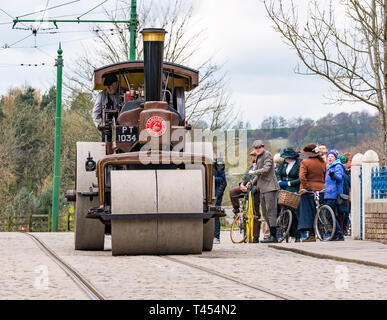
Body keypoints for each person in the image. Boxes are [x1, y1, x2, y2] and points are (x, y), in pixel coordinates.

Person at [249, 140, 280, 243]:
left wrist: (254, 171)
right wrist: (251, 183)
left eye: (259, 148)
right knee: (265, 214)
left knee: (271, 212)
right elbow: (258, 175)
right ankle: (271, 235)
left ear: (263, 147)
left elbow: (266, 170)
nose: (257, 150)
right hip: (262, 188)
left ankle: (274, 236)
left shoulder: (267, 155)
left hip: (270, 187)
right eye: (255, 148)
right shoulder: (258, 157)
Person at [229, 149, 262, 242]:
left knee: (255, 213)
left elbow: (261, 181)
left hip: (256, 191)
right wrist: (242, 184)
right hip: (247, 189)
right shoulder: (251, 166)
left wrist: (251, 187)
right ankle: (236, 210)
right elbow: (245, 177)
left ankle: (255, 236)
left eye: (255, 156)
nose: (254, 157)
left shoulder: (262, 167)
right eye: (253, 156)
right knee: (233, 192)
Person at [298, 143, 326, 242]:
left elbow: (302, 177)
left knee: (308, 213)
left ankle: (311, 234)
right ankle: (320, 231)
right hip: (321, 189)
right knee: (318, 211)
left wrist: (306, 187)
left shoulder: (305, 162)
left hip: (308, 191)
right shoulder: (323, 162)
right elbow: (324, 176)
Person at [276, 147, 301, 242]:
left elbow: (300, 178)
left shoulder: (298, 165)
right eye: (285, 157)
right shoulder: (283, 164)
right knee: (278, 202)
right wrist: (279, 181)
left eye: (287, 157)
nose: (286, 159)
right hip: (282, 187)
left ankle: (296, 234)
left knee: (294, 211)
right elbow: (278, 173)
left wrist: (289, 183)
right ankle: (279, 226)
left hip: (293, 187)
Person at [92, 73, 121, 139]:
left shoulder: (125, 93)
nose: (108, 88)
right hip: (107, 131)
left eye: (110, 85)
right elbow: (95, 113)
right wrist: (101, 125)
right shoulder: (102, 95)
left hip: (122, 129)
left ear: (117, 83)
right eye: (106, 86)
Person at [324, 150, 345, 241]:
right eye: (328, 156)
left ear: (335, 158)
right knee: (330, 215)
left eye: (332, 156)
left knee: (329, 214)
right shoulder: (329, 167)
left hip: (334, 194)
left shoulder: (338, 166)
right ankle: (335, 234)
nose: (329, 158)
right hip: (328, 193)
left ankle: (339, 234)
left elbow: (340, 178)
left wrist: (333, 176)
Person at [213, 156, 227, 244]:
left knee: (216, 215)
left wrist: (212, 179)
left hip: (217, 194)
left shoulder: (219, 164)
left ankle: (216, 237)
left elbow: (223, 181)